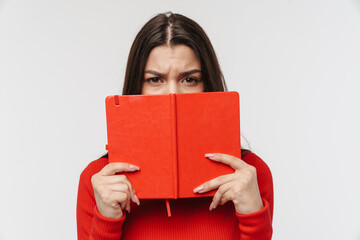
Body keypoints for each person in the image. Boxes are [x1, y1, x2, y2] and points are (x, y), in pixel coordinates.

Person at [77, 12, 273, 240]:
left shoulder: (250, 175)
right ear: (136, 87)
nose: (173, 94)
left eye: (189, 79)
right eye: (155, 79)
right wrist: (107, 219)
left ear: (208, 85)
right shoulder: (99, 180)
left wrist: (253, 216)